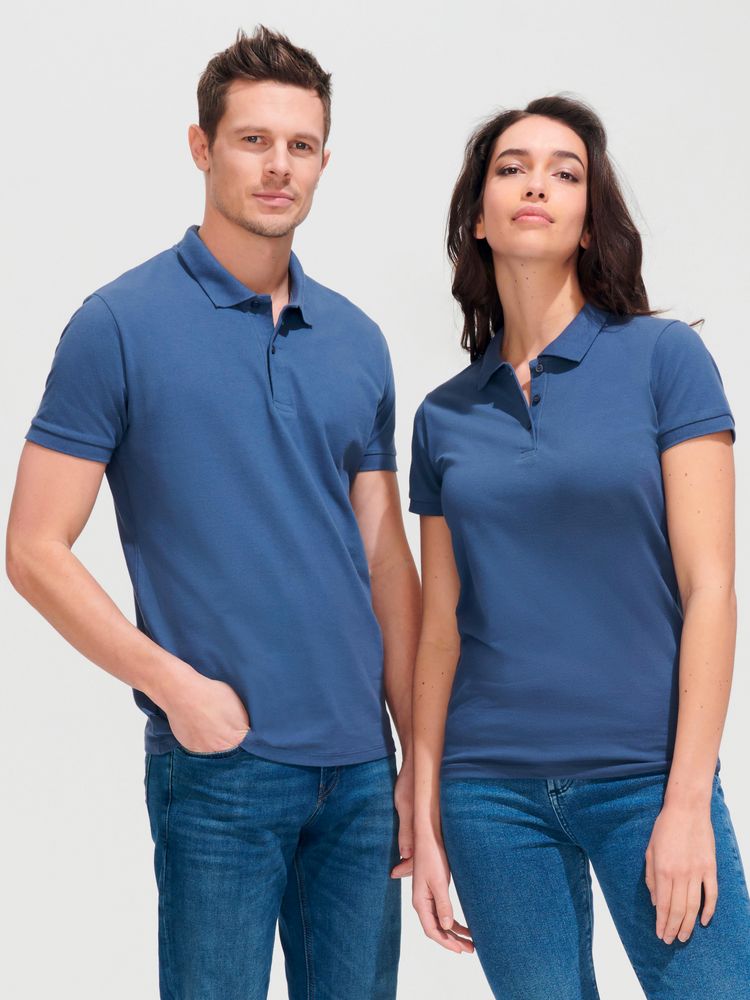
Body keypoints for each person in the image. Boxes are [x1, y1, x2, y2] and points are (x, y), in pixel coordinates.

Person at [7, 25, 419, 1000]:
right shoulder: (118, 325)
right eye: (253, 140)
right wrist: (174, 688)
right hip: (222, 768)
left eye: (301, 145)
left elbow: (384, 559)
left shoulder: (357, 340)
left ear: (323, 162)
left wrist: (415, 756)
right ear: (202, 146)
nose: (279, 166)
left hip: (362, 772)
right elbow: (32, 547)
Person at [408, 94, 750, 998]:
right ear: (479, 219)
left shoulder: (665, 361)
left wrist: (687, 801)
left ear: (590, 223)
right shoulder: (444, 416)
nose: (537, 185)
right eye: (512, 168)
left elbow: (712, 589)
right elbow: (440, 628)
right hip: (490, 794)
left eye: (565, 174)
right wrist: (425, 808)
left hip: (645, 776)